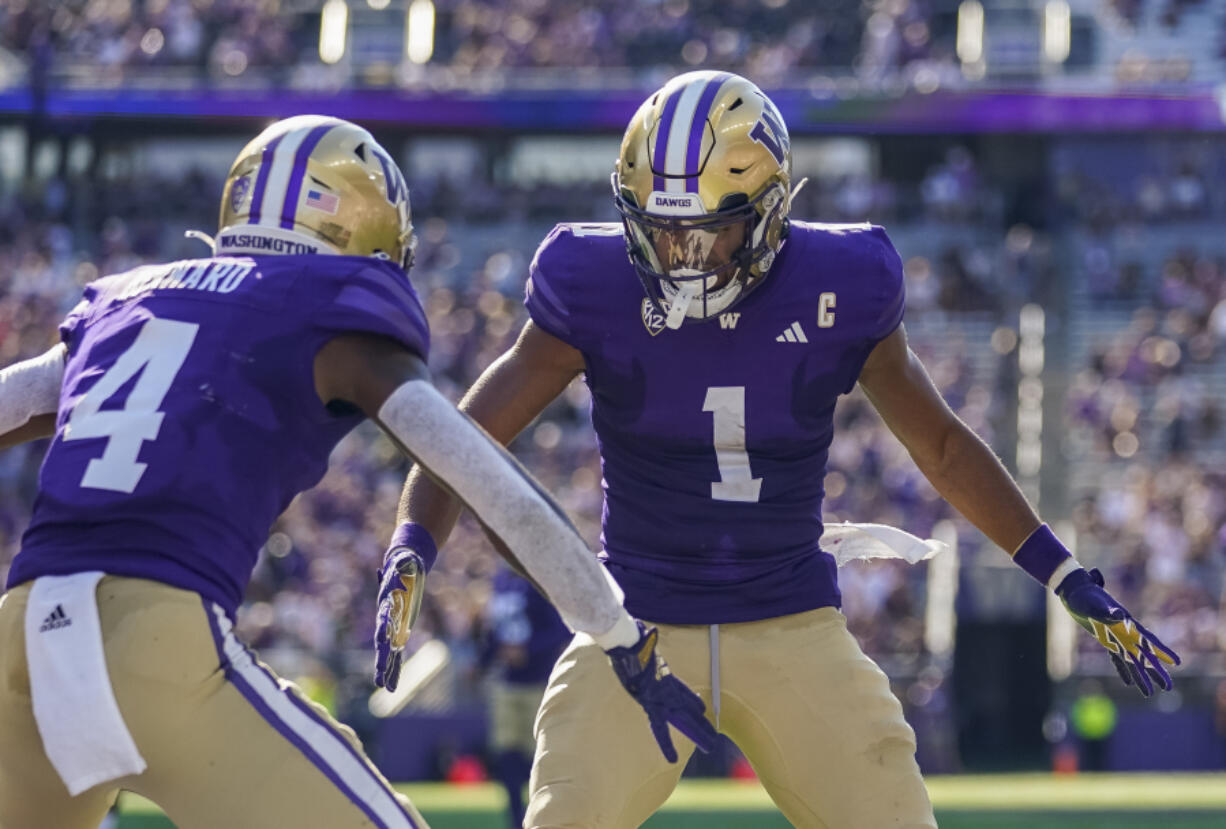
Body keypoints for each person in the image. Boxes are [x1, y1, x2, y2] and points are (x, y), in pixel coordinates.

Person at [394, 71, 1181, 829]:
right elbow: (464, 439)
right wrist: (414, 541)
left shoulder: (844, 279)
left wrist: (1062, 570)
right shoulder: (590, 278)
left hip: (790, 620)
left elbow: (940, 443)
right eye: (662, 231)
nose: (683, 258)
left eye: (708, 232)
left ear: (770, 210)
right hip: (629, 627)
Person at [0, 115, 716, 829]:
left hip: (22, 634)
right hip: (155, 637)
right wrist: (619, 630)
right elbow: (478, 475)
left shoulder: (126, 298)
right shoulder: (327, 312)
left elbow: (14, 400)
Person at [480, 566, 571, 828]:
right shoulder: (500, 580)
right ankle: (514, 816)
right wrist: (484, 660)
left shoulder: (539, 580)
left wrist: (528, 650)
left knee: (540, 754)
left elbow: (560, 630)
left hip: (538, 681)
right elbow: (497, 629)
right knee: (507, 751)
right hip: (506, 683)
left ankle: (542, 814)